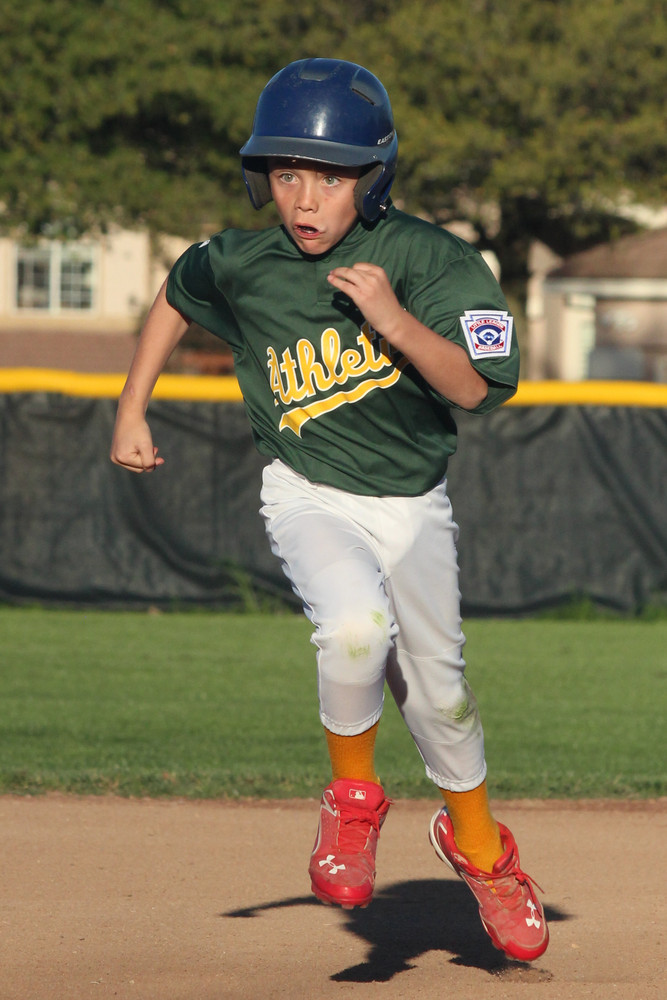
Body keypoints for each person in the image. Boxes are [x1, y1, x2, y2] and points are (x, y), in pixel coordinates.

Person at [110, 58, 548, 963]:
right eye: (286, 174)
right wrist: (130, 405)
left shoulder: (432, 262)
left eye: (332, 177)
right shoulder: (247, 261)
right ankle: (351, 804)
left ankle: (478, 848)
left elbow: (473, 388)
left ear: (373, 179)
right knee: (352, 629)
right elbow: (180, 289)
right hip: (306, 490)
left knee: (441, 696)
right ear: (262, 178)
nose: (305, 198)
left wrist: (392, 319)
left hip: (411, 506)